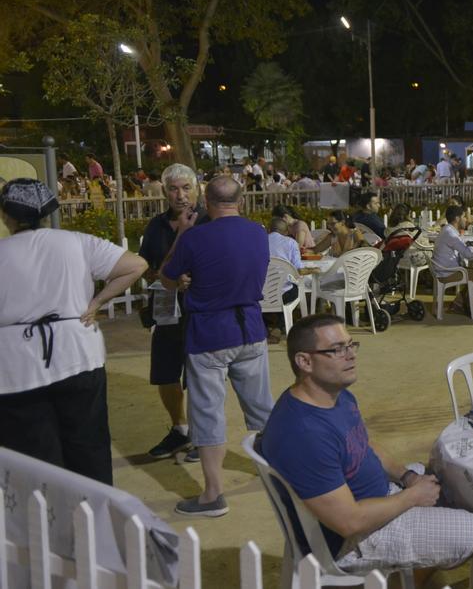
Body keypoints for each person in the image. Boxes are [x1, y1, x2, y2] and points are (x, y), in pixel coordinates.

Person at [261, 315, 473, 580]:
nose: (351, 356)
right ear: (305, 362)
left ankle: (412, 579)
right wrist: (412, 497)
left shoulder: (336, 395)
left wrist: (407, 477)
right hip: (352, 540)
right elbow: (349, 522)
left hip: (375, 497)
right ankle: (407, 581)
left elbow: (363, 445)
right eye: (337, 350)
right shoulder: (303, 433)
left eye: (351, 345)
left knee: (454, 485)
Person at [0, 179, 147, 484]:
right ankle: (94, 522)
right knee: (89, 446)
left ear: (6, 215)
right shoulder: (76, 241)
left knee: (34, 459)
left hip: (16, 366)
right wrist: (97, 302)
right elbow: (136, 265)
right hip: (78, 354)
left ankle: (47, 526)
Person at [159, 175, 272, 516]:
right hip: (251, 328)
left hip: (210, 333)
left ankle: (212, 495)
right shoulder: (258, 233)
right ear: (242, 200)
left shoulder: (195, 237)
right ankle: (281, 475)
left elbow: (167, 277)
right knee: (262, 410)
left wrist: (183, 246)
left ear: (206, 201)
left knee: (208, 413)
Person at [138, 164, 209, 460]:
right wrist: (163, 277)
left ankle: (202, 435)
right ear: (165, 192)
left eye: (186, 188)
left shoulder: (210, 221)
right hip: (167, 311)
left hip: (201, 311)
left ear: (197, 190)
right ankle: (180, 430)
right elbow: (146, 270)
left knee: (201, 376)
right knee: (165, 374)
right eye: (173, 189)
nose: (180, 195)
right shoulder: (156, 226)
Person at [431, 205, 473, 314]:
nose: (466, 219)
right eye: (464, 217)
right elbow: (468, 254)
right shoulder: (450, 233)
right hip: (447, 272)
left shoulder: (447, 230)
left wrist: (472, 245)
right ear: (457, 219)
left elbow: (462, 249)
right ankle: (460, 303)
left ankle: (460, 303)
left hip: (442, 269)